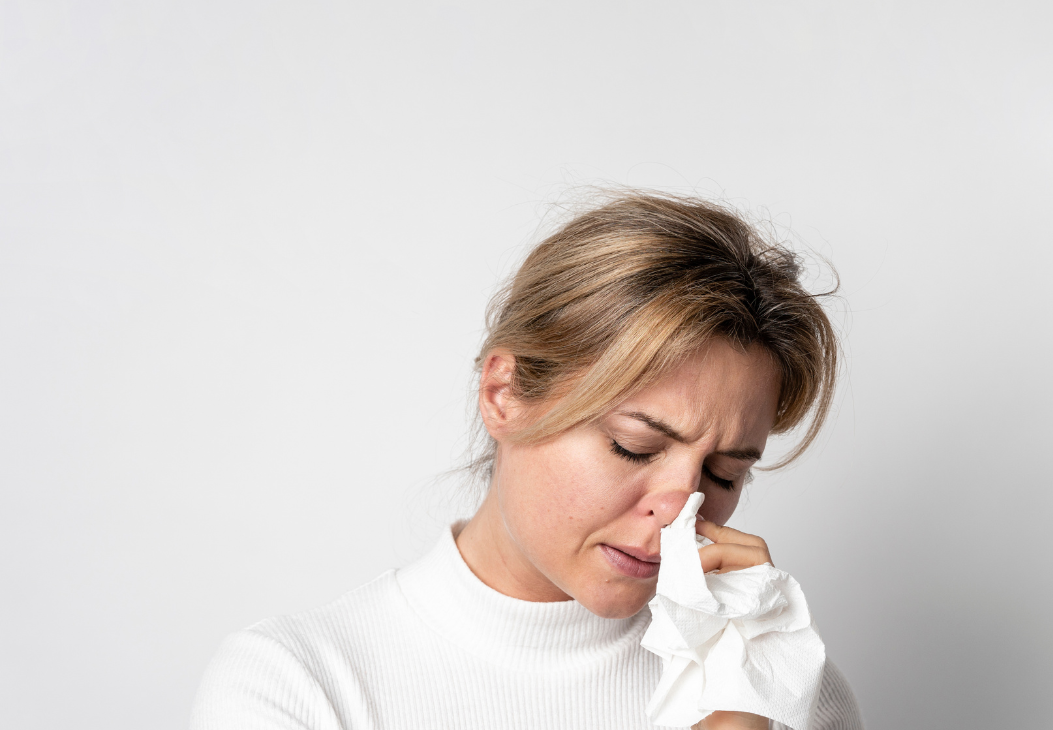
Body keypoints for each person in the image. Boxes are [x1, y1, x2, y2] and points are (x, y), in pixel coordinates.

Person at [190, 191, 865, 730]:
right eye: (634, 445)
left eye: (725, 473)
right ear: (503, 394)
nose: (681, 507)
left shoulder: (778, 688)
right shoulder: (299, 686)